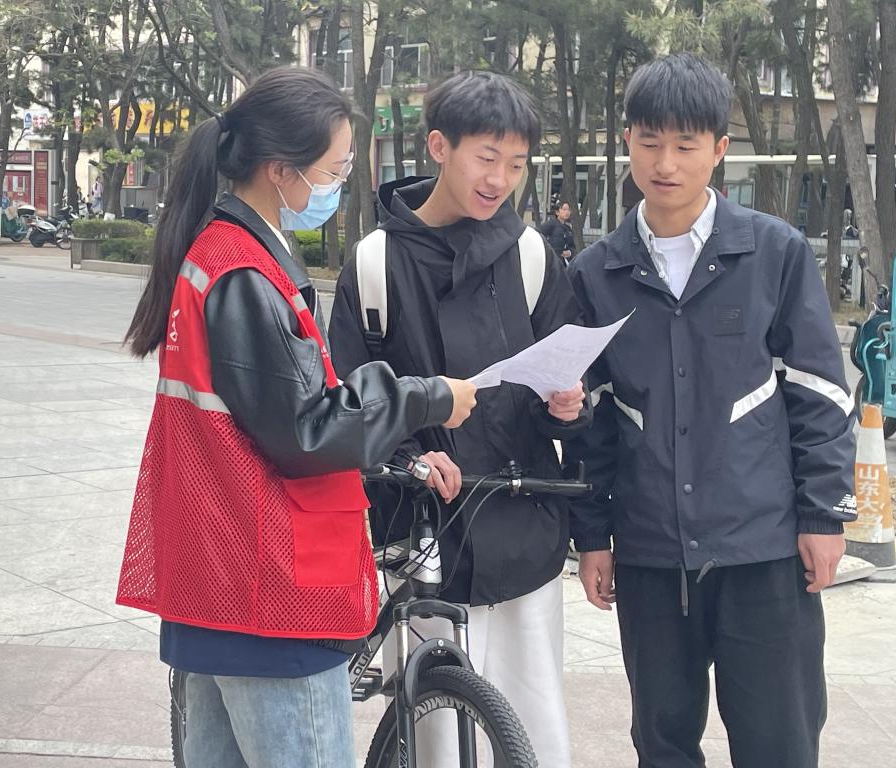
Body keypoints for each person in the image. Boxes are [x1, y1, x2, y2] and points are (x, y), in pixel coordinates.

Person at [116, 67, 477, 768]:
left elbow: (268, 415)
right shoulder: (245, 273)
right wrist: (428, 396)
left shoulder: (220, 256)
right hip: (270, 594)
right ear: (280, 171)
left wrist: (395, 443)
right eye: (333, 170)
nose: (338, 184)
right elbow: (308, 429)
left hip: (218, 580)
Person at [566, 53, 856, 768]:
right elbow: (592, 420)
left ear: (720, 149)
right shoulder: (596, 274)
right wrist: (593, 534)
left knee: (779, 742)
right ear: (627, 141)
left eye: (686, 144)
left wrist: (824, 515)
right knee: (662, 743)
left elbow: (820, 392)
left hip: (762, 548)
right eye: (649, 142)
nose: (665, 163)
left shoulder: (774, 253)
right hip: (650, 553)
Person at [329, 70, 588, 768]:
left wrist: (569, 405)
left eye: (517, 164)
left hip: (522, 526)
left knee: (533, 726)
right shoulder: (376, 263)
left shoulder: (531, 256)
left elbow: (567, 384)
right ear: (440, 147)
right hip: (423, 535)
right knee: (437, 736)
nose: (499, 179)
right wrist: (411, 456)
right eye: (486, 157)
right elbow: (351, 399)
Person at [539, 199, 576, 265]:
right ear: (557, 212)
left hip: (564, 263)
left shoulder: (568, 229)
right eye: (564, 209)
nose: (567, 212)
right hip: (552, 262)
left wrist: (570, 252)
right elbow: (538, 233)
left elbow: (572, 247)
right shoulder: (551, 224)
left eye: (568, 210)